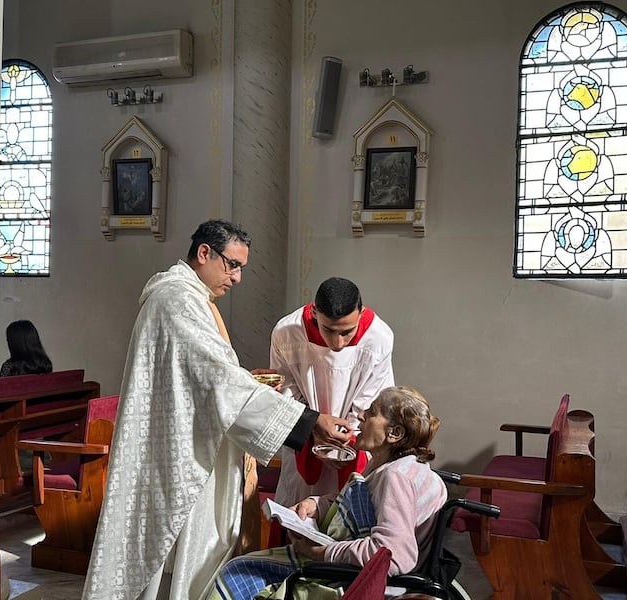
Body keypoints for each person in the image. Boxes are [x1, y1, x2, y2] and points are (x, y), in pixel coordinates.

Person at [83, 220, 352, 600]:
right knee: (170, 556)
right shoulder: (176, 300)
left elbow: (210, 379)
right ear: (205, 253)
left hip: (189, 441)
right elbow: (217, 382)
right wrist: (308, 421)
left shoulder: (190, 300)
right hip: (179, 456)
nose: (238, 277)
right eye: (233, 264)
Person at [211, 386, 448, 600]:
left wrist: (323, 553)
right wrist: (318, 504)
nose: (362, 415)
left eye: (373, 411)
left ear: (394, 433)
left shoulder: (395, 477)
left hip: (362, 582)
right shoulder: (402, 468)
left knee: (240, 569)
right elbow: (370, 505)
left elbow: (395, 555)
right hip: (355, 567)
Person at [269, 277, 395, 507]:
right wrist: (313, 427)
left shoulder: (379, 337)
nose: (337, 343)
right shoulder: (287, 332)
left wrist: (341, 442)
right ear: (315, 312)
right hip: (305, 440)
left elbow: (372, 399)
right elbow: (287, 390)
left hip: (352, 442)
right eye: (329, 330)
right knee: (298, 508)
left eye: (347, 332)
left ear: (361, 313)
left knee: (348, 513)